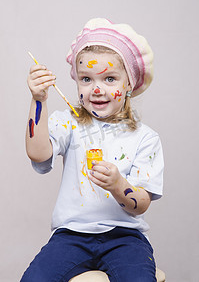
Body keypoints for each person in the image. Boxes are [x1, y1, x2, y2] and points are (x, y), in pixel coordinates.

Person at [21, 18, 164, 282]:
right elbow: (38, 153)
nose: (97, 89)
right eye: (86, 79)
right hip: (71, 236)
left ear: (129, 85)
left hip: (125, 238)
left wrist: (118, 185)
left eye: (110, 78)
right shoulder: (69, 122)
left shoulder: (145, 138)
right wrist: (38, 100)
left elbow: (141, 204)